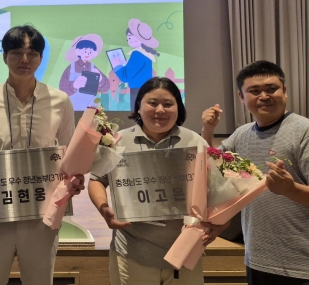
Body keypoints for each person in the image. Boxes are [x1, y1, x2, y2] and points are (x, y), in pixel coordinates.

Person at [0, 25, 83, 285]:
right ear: (5, 56)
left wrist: (75, 178)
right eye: (16, 53)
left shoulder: (60, 101)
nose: (24, 60)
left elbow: (70, 152)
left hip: (42, 211)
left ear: (40, 58)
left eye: (32, 53)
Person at [89, 77, 227, 285]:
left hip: (185, 254)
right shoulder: (118, 141)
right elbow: (97, 180)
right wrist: (104, 208)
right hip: (132, 254)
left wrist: (221, 223)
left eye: (168, 104)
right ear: (139, 106)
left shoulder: (195, 142)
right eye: (152, 103)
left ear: (178, 108)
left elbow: (216, 189)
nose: (160, 110)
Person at [202, 61, 309, 285]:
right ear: (242, 97)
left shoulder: (308, 132)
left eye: (271, 89)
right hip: (257, 260)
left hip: (305, 265)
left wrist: (291, 190)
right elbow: (210, 167)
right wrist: (208, 130)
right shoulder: (241, 134)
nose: (264, 96)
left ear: (284, 91)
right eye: (254, 91)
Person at [113, 19, 160, 110]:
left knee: (136, 113)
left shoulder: (137, 54)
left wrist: (117, 65)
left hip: (137, 90)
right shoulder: (145, 54)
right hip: (144, 89)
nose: (128, 40)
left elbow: (125, 77)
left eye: (130, 37)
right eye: (127, 39)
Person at [59, 34, 111, 110]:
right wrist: (74, 85)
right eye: (85, 51)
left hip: (90, 105)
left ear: (94, 54)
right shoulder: (71, 67)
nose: (87, 54)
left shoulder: (93, 67)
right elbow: (62, 88)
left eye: (90, 52)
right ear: (77, 51)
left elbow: (107, 87)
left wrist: (100, 79)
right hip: (73, 105)